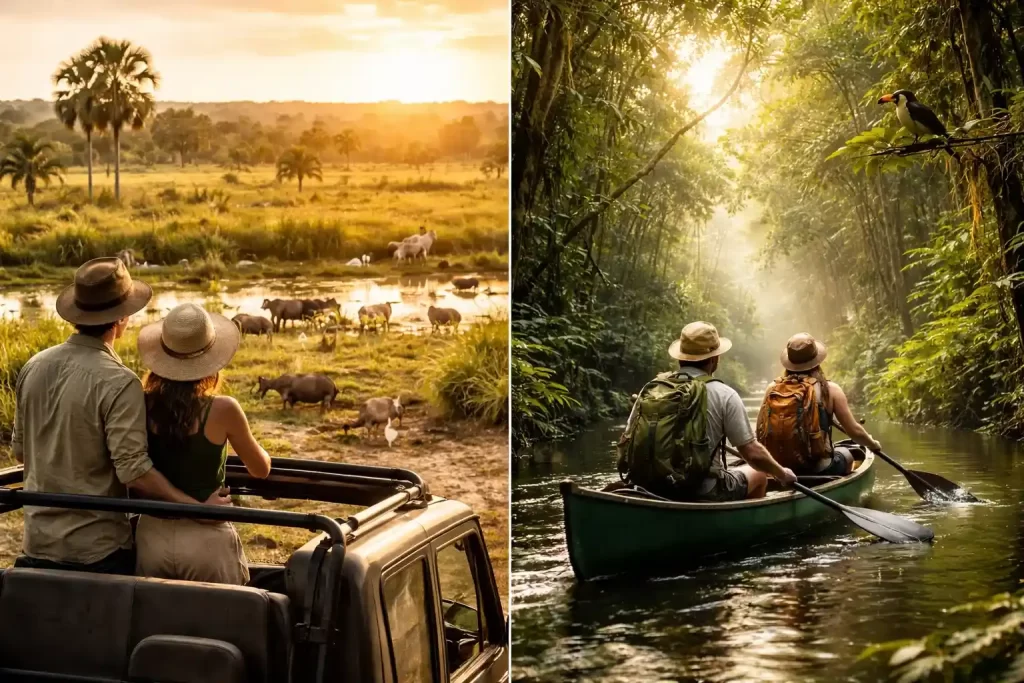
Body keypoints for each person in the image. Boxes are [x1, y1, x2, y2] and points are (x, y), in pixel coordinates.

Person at [11, 257, 231, 576]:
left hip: (38, 543)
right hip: (98, 550)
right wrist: (197, 510)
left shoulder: (34, 365)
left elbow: (21, 450)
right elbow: (134, 471)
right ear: (122, 318)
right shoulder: (120, 381)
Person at [135, 302, 272, 584]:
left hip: (151, 536)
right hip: (206, 537)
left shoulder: (139, 403)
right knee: (220, 623)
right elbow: (260, 469)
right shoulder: (223, 409)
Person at [617, 321, 797, 501]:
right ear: (714, 359)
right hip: (701, 490)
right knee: (757, 474)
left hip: (650, 485)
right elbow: (752, 453)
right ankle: (748, 525)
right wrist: (781, 473)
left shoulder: (651, 389)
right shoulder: (724, 394)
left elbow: (627, 439)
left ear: (680, 356)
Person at [756, 333, 882, 476]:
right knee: (847, 455)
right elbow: (855, 432)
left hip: (779, 466)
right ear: (817, 361)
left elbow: (759, 431)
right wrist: (873, 445)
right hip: (817, 467)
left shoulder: (772, 388)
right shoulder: (830, 389)